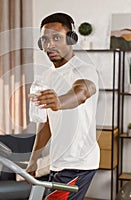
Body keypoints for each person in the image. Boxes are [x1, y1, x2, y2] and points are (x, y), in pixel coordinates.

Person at [26, 12, 100, 200]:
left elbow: (82, 92)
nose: (50, 44)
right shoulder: (46, 78)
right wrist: (33, 160)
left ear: (71, 39)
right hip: (58, 163)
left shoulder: (84, 69)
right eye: (45, 39)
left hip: (78, 163)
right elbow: (46, 125)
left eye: (56, 38)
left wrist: (60, 101)